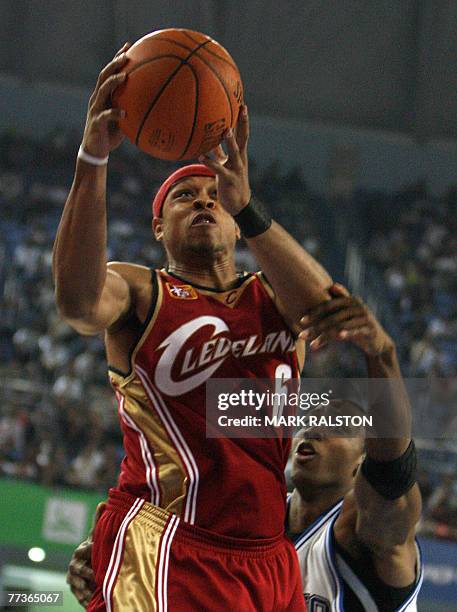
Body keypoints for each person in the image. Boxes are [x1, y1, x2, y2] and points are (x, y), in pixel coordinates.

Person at [53, 42, 335, 611]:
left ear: (237, 227)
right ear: (159, 226)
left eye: (215, 197)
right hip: (169, 542)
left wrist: (248, 203)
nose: (205, 201)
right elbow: (79, 303)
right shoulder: (142, 290)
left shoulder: (271, 296)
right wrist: (92, 160)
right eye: (186, 196)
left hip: (267, 554)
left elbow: (328, 311)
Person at [288, 285, 423, 611]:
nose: (314, 429)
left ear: (362, 461)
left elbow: (392, 476)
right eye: (308, 420)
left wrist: (382, 354)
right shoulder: (261, 516)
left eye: (338, 426)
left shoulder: (364, 531)